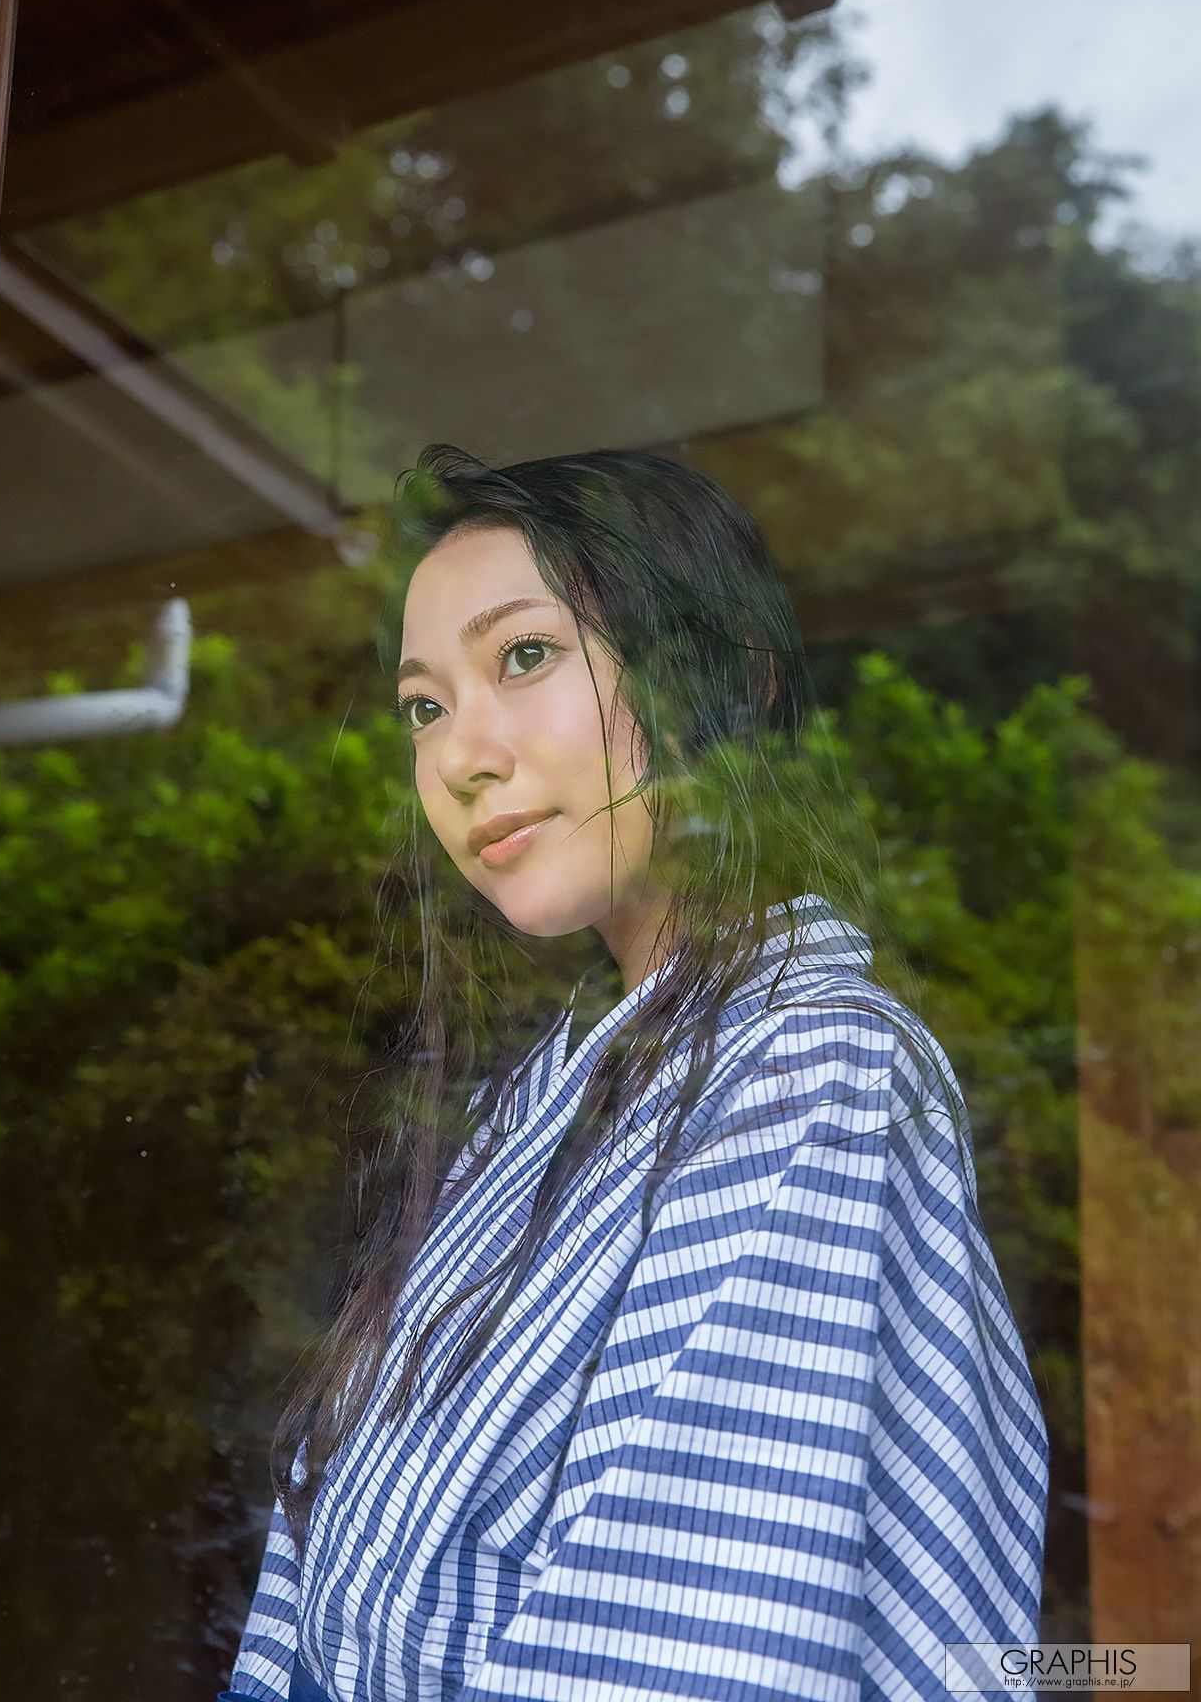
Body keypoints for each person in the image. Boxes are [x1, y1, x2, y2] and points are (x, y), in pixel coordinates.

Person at [222, 443, 1050, 1702]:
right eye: (422, 707)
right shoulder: (528, 1108)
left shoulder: (812, 1069)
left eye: (524, 655)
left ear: (716, 675)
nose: (458, 756)